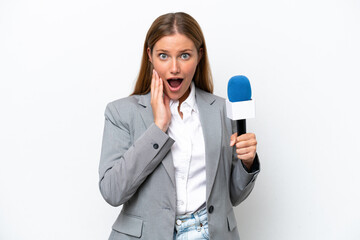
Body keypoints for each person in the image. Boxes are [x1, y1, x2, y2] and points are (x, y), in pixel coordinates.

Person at [99, 12, 260, 240]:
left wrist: (247, 163)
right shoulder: (121, 113)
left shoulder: (223, 111)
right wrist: (158, 128)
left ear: (199, 55)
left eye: (184, 55)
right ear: (150, 56)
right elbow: (112, 192)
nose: (174, 68)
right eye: (163, 55)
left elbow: (233, 196)